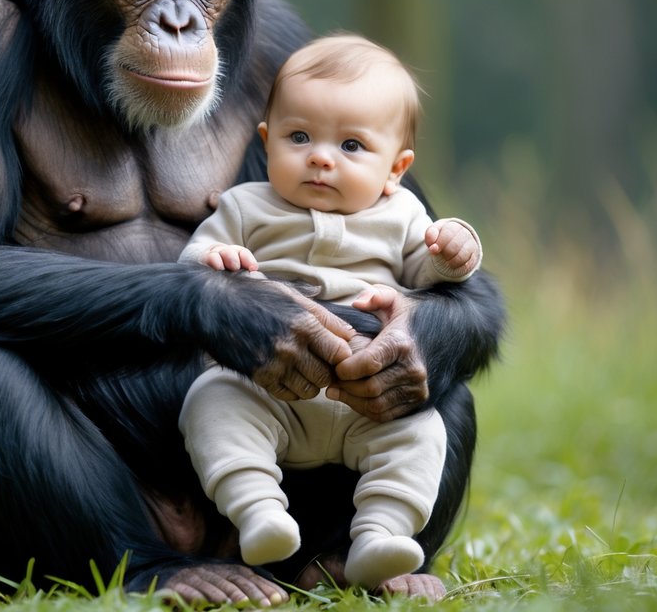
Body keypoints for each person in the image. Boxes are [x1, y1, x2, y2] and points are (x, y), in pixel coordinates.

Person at [178, 33, 482, 588]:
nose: (320, 156)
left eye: (351, 147)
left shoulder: (403, 214)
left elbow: (436, 274)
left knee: (424, 428)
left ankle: (382, 538)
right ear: (265, 142)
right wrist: (215, 258)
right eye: (299, 138)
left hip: (365, 401)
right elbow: (193, 260)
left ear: (396, 169)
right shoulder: (246, 205)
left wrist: (456, 247)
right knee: (212, 401)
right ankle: (258, 511)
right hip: (272, 395)